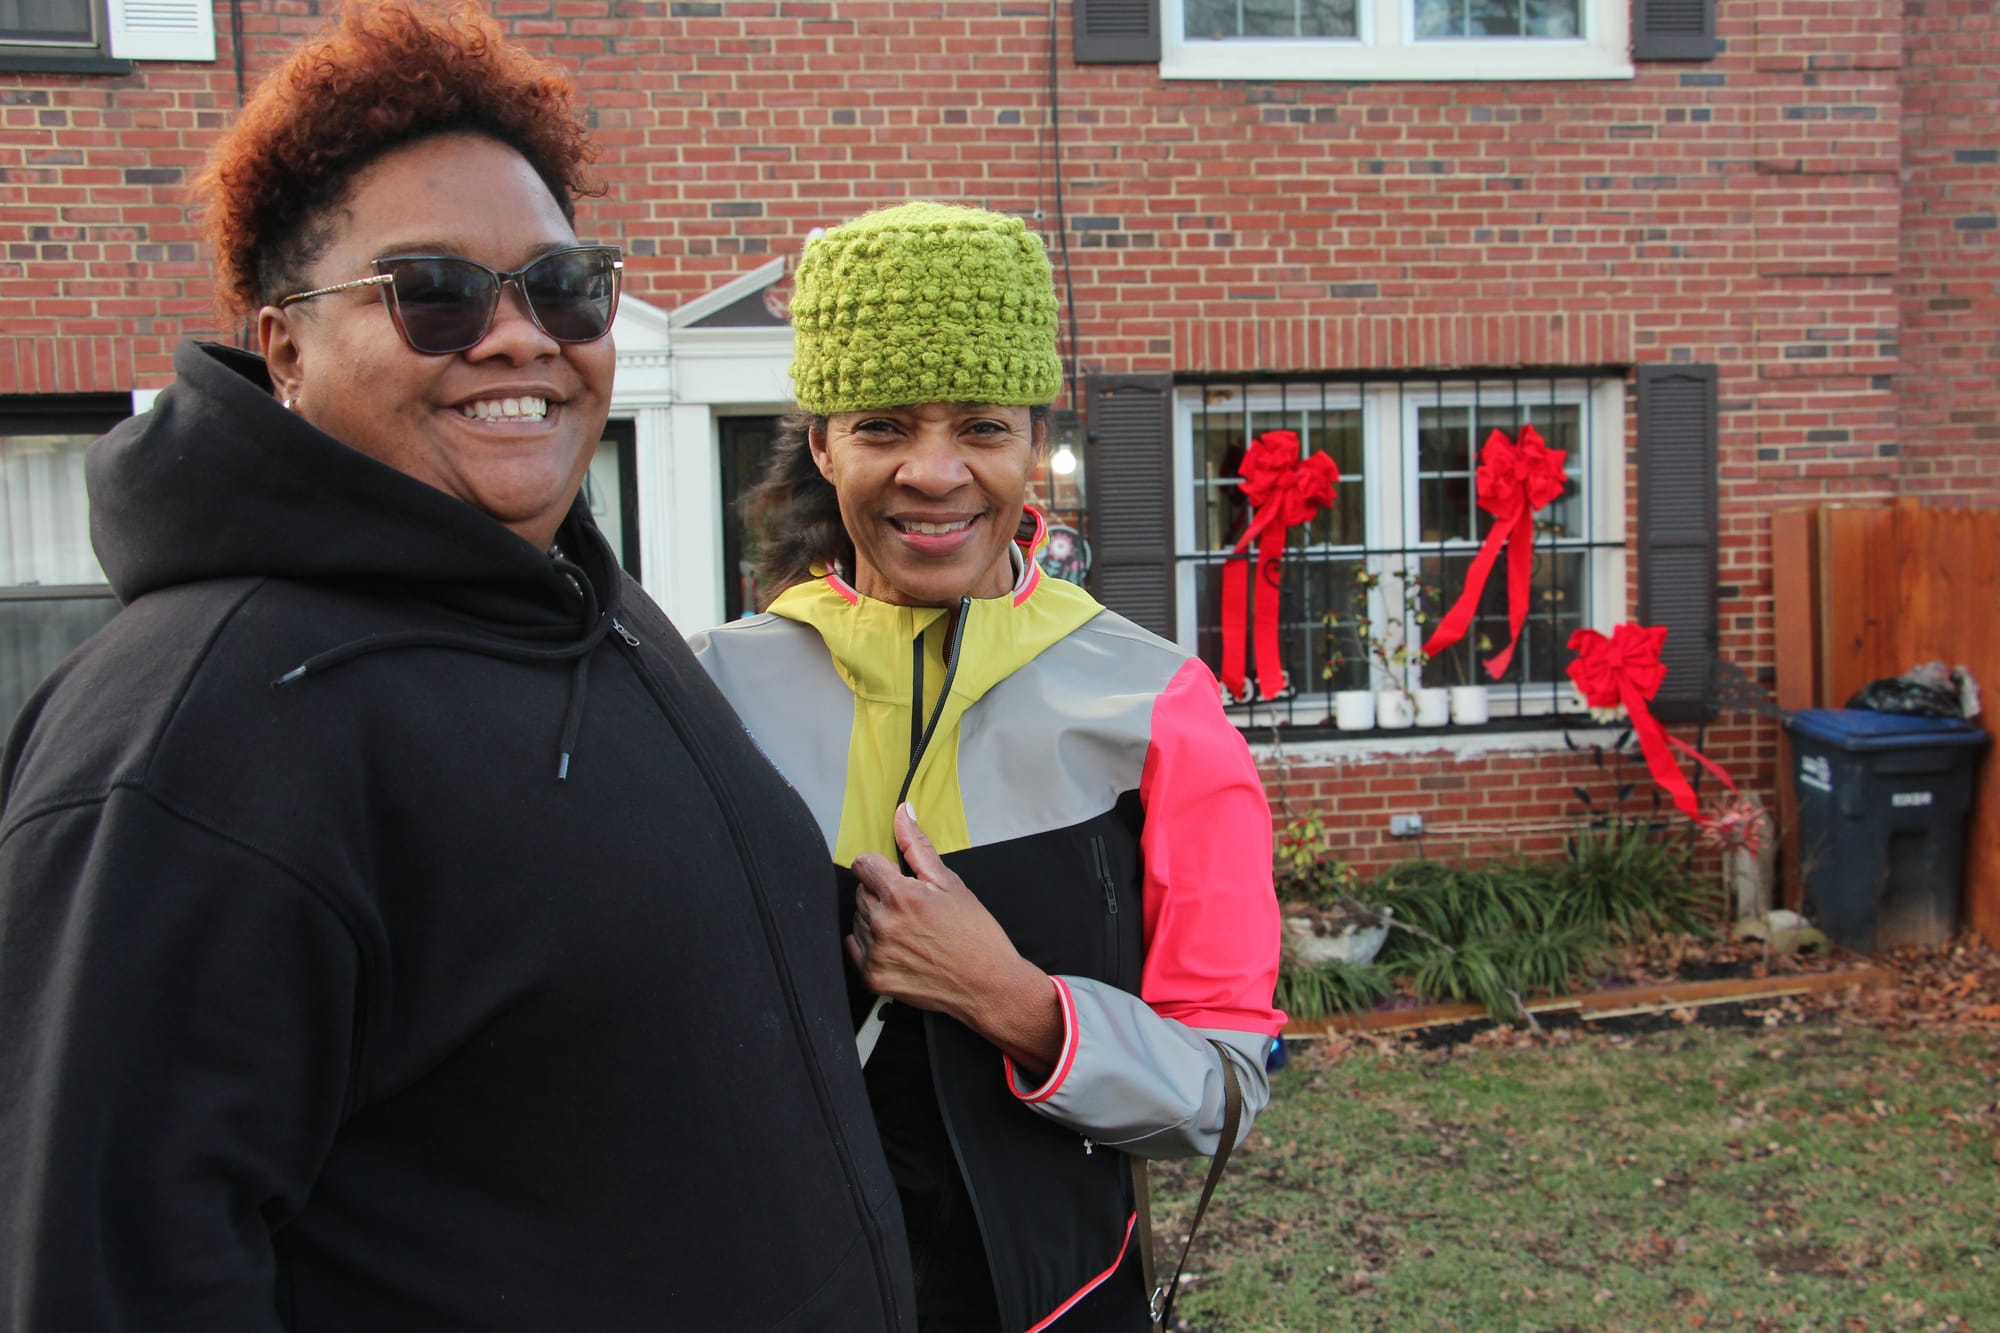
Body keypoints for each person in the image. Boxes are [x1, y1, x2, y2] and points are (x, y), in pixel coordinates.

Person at [0, 4, 914, 1328]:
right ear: (286, 347)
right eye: (431, 292)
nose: (518, 335)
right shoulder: (193, 736)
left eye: (563, 285)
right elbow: (100, 1271)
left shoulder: (587, 610)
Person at [689, 201, 1285, 1332]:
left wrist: (1015, 1003)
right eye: (880, 426)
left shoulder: (1155, 703)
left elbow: (1224, 1090)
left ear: (1031, 441)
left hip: (1062, 1305)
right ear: (821, 444)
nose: (932, 472)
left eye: (977, 425)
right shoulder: (709, 694)